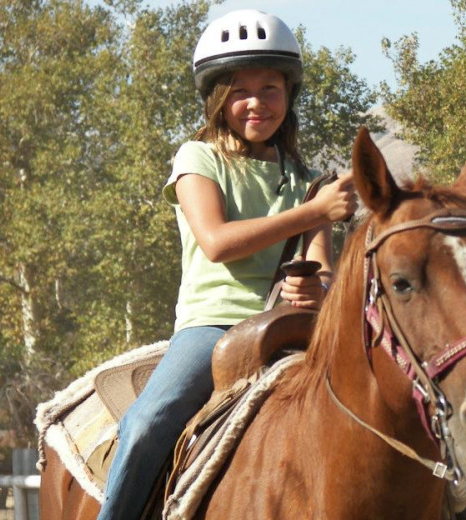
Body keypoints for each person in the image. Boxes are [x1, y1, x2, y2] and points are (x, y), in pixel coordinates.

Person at [97, 9, 356, 519]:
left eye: (270, 88)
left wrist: (318, 290)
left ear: (290, 95)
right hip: (212, 329)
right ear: (217, 97)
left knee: (412, 401)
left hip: (297, 327)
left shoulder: (308, 180)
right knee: (149, 422)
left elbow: (320, 266)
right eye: (240, 90)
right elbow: (215, 242)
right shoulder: (197, 158)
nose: (256, 102)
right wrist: (313, 210)